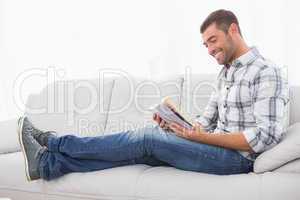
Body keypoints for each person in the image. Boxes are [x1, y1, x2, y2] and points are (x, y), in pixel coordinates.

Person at [18, 9, 289, 181]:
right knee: (139, 148)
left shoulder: (267, 72)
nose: (208, 50)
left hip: (237, 160)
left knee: (147, 139)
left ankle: (54, 142)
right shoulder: (226, 74)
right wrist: (179, 125)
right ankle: (45, 165)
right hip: (212, 146)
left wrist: (201, 137)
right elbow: (205, 122)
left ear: (233, 30)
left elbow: (264, 137)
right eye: (205, 44)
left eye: (212, 40)